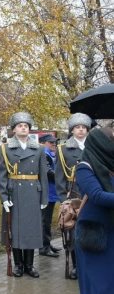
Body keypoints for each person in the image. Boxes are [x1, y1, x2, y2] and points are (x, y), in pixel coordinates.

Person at [74, 126, 114, 294]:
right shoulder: (84, 166)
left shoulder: (112, 163)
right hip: (95, 229)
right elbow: (98, 196)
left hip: (113, 226)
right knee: (100, 278)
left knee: (109, 278)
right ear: (102, 143)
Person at [0, 112, 48, 278]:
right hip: (15, 192)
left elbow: (43, 174)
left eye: (26, 126)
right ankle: (18, 264)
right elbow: (1, 176)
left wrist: (44, 197)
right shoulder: (5, 149)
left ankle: (30, 265)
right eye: (20, 126)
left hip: (33, 192)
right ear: (14, 129)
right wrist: (4, 198)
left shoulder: (39, 149)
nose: (23, 128)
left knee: (32, 229)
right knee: (16, 230)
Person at [55, 112, 91, 281]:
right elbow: (59, 176)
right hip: (74, 191)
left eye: (84, 127)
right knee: (73, 231)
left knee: (90, 228)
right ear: (72, 130)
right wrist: (64, 199)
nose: (81, 130)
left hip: (91, 191)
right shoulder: (63, 149)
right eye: (77, 127)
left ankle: (90, 264)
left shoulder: (93, 146)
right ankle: (76, 265)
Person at [38, 133, 60, 258]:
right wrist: (61, 178)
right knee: (45, 221)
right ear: (44, 143)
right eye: (51, 142)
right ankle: (44, 247)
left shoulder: (50, 154)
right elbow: (47, 172)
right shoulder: (45, 154)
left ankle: (47, 243)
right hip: (47, 192)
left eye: (54, 142)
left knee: (47, 220)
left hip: (51, 192)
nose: (54, 144)